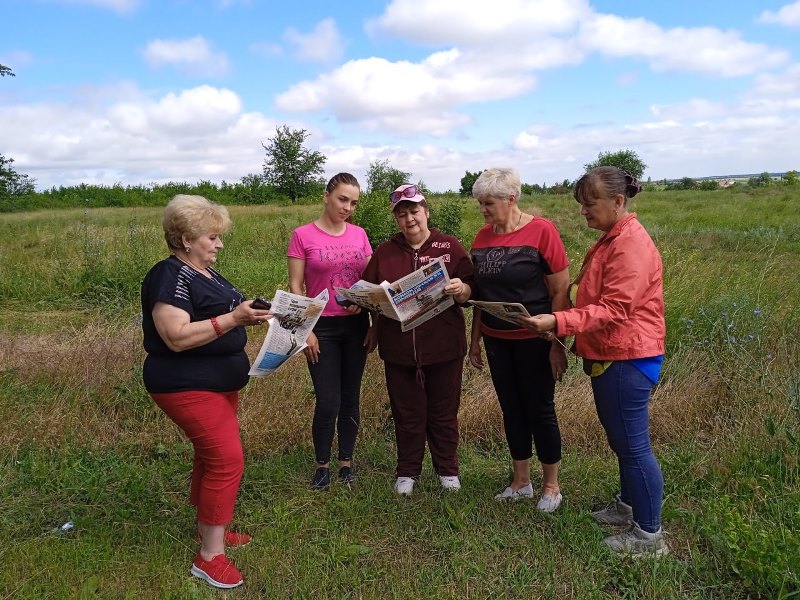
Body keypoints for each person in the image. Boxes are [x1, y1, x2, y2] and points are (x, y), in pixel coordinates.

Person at [524, 166, 668, 556]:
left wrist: (558, 320)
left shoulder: (630, 244)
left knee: (634, 446)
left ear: (617, 202)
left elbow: (615, 308)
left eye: (590, 204)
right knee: (623, 441)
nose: (583, 212)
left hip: (629, 356)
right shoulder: (613, 238)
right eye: (581, 205)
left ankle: (649, 536)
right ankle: (628, 506)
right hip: (614, 353)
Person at [141, 194, 272, 589]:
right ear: (185, 238)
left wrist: (253, 314)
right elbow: (176, 336)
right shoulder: (169, 276)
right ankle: (210, 557)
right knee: (227, 459)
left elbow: (222, 316)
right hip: (185, 384)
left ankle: (207, 529)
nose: (219, 244)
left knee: (210, 455)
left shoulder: (206, 273)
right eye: (212, 237)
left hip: (215, 383)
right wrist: (234, 317)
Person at [362, 184, 474, 495]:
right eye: (402, 213)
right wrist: (369, 304)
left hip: (444, 347)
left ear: (426, 212)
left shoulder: (449, 246)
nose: (409, 218)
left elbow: (470, 289)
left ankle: (448, 471)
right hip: (398, 350)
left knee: (444, 413)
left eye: (414, 211)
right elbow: (370, 292)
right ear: (396, 219)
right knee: (406, 413)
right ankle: (407, 472)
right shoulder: (385, 252)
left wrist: (460, 289)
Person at [468, 167, 569, 512]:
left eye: (489, 203)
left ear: (511, 199)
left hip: (534, 340)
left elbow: (560, 291)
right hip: (497, 339)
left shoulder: (543, 232)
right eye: (480, 203)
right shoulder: (481, 237)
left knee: (540, 409)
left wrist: (556, 342)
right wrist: (475, 339)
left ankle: (551, 486)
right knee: (511, 410)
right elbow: (480, 293)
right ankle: (521, 481)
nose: (483, 210)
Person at [287, 173, 372, 490]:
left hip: (354, 325)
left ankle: (346, 464)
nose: (347, 207)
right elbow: (296, 286)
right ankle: (322, 465)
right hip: (320, 327)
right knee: (328, 400)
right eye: (342, 199)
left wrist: (365, 308)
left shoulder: (360, 235)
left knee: (351, 398)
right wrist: (304, 329)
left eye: (353, 202)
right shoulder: (302, 235)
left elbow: (369, 282)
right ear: (326, 196)